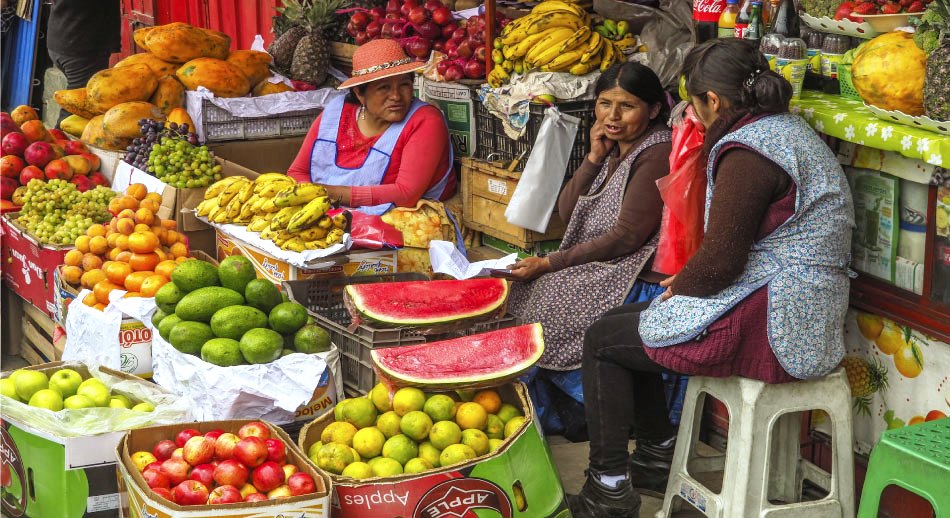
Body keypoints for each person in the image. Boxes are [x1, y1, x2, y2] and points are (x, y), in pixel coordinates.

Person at [567, 38, 854, 517]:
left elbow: (722, 258)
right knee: (622, 324)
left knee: (603, 340)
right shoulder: (781, 129)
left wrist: (682, 284)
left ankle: (609, 488)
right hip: (792, 302)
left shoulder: (750, 151)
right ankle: (657, 456)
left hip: (779, 319)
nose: (691, 115)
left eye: (693, 104)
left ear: (714, 101)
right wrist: (683, 285)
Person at [503, 62, 673, 437]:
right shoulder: (617, 148)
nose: (612, 116)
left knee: (552, 302)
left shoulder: (656, 152)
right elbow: (567, 210)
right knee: (524, 290)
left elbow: (628, 236)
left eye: (626, 106)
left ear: (654, 110)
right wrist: (594, 157)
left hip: (633, 269)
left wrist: (551, 262)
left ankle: (581, 406)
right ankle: (542, 401)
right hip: (604, 259)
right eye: (604, 104)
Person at [287, 38, 455, 216]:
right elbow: (297, 171)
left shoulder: (425, 120)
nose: (396, 96)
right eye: (384, 87)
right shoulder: (336, 113)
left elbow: (405, 194)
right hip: (327, 213)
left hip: (402, 225)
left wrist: (322, 193)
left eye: (404, 85)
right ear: (360, 93)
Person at [47, 0, 121, 125]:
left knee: (80, 107)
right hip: (79, 46)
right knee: (75, 114)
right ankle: (58, 143)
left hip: (65, 39)